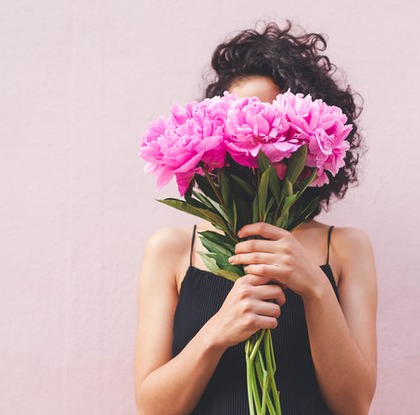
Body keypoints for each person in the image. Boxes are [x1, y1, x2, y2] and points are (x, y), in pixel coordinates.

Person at [134, 21, 377, 415]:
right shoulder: (172, 249)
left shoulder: (346, 249)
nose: (250, 138)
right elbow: (151, 408)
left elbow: (354, 406)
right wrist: (218, 331)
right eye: (233, 121)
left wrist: (315, 287)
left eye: (267, 120)